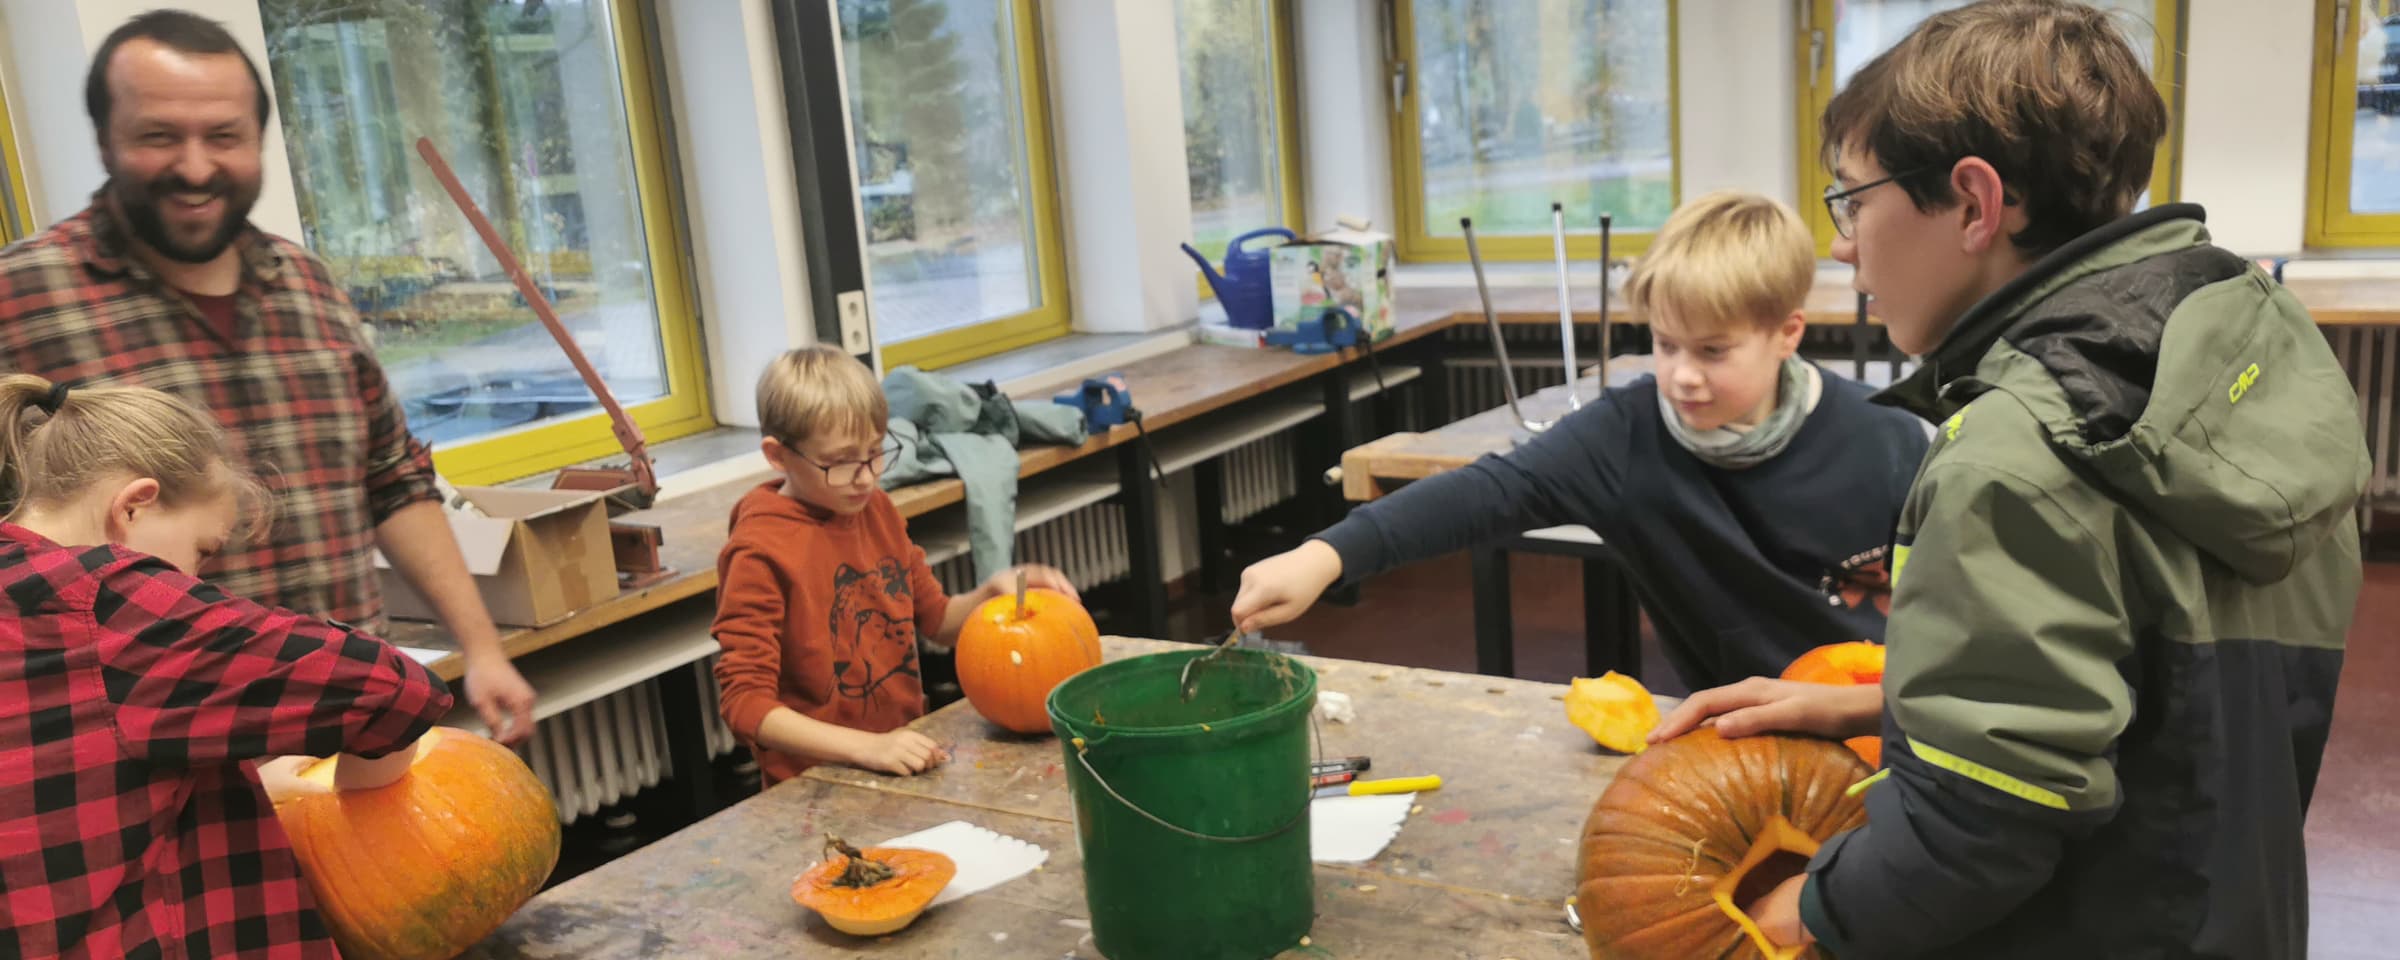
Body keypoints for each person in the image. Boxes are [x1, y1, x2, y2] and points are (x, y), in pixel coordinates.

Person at [1649, 3, 2370, 957]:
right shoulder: (2236, 352)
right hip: (2227, 907)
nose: (1842, 246)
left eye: (1852, 200)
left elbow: (1983, 826)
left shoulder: (2016, 454)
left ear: (1976, 205)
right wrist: (1887, 699)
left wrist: (1816, 912)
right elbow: (2159, 691)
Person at [0, 10, 535, 741]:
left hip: (348, 725)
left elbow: (392, 480)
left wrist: (481, 647)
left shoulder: (310, 286)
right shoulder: (19, 300)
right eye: (159, 136)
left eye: (223, 136)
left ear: (259, 141)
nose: (195, 166)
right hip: (157, 761)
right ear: (104, 140)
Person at [1231, 191, 1931, 690]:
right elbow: (1488, 491)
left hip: (1879, 735)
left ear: (1788, 333)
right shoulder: (1624, 437)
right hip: (1729, 738)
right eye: (1665, 345)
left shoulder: (1890, 441)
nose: (1682, 377)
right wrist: (1324, 555)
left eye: (1714, 352)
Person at [0, 374, 453, 958]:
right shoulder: (111, 606)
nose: (196, 581)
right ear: (133, 508)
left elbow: (73, 767)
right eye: (201, 552)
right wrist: (351, 806)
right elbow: (393, 689)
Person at [712, 345, 1078, 786]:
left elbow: (939, 620)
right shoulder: (759, 551)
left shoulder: (875, 509)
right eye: (839, 462)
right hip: (816, 784)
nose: (866, 476)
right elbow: (745, 705)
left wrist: (992, 593)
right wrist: (867, 747)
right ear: (777, 455)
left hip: (900, 757)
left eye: (875, 452)